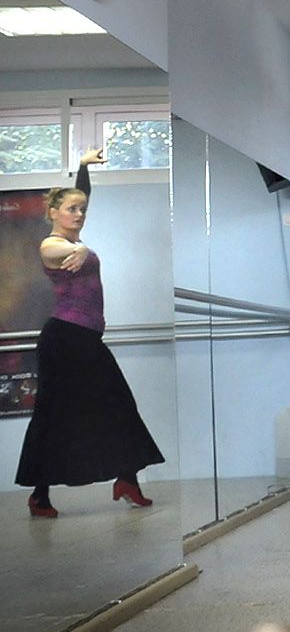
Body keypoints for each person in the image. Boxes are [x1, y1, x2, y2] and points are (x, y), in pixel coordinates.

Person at [16, 149, 165, 517]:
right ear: (53, 212)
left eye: (82, 209)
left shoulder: (76, 236)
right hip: (64, 339)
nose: (79, 214)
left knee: (118, 404)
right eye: (71, 209)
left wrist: (83, 168)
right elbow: (56, 250)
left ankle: (127, 478)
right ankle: (40, 495)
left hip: (84, 340)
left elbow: (81, 202)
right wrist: (80, 247)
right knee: (54, 414)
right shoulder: (51, 244)